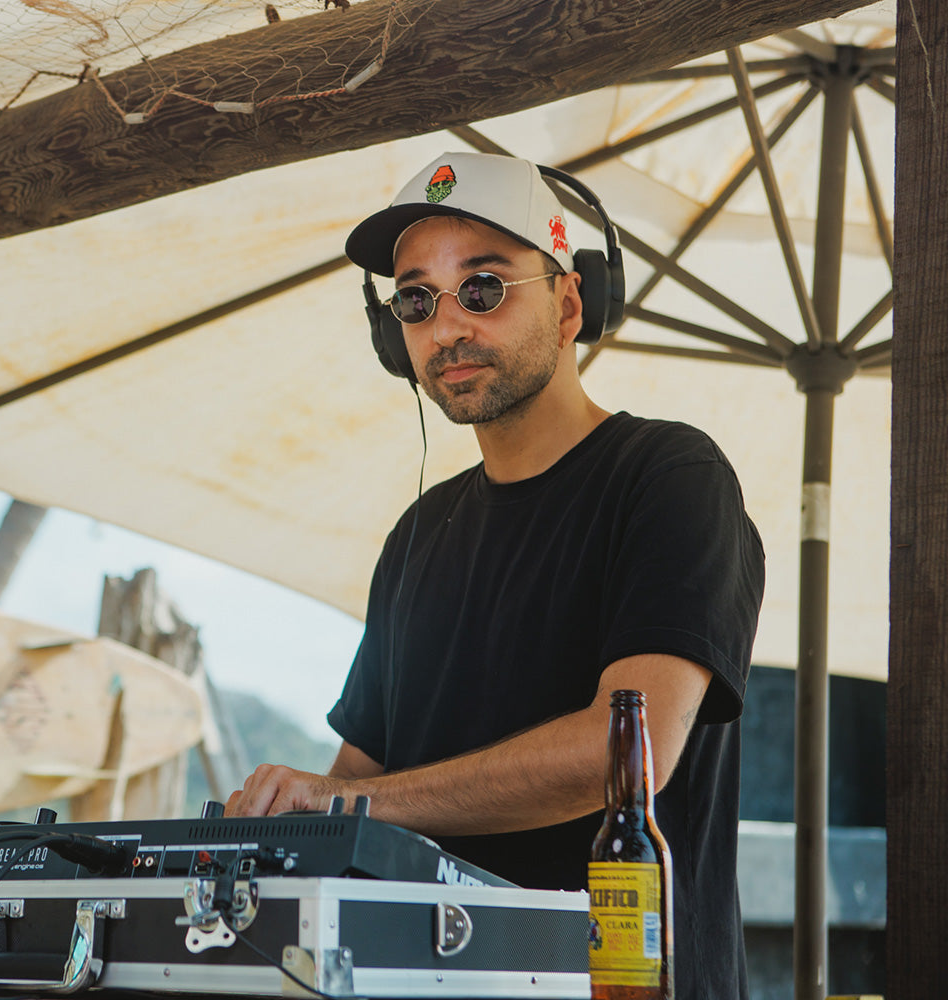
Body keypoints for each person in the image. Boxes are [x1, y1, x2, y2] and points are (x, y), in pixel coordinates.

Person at [226, 152, 765, 1000]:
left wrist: (345, 805)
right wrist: (279, 820)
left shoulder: (670, 476)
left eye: (483, 288)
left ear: (571, 301)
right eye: (414, 301)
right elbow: (356, 784)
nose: (446, 329)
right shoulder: (417, 535)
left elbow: (625, 755)